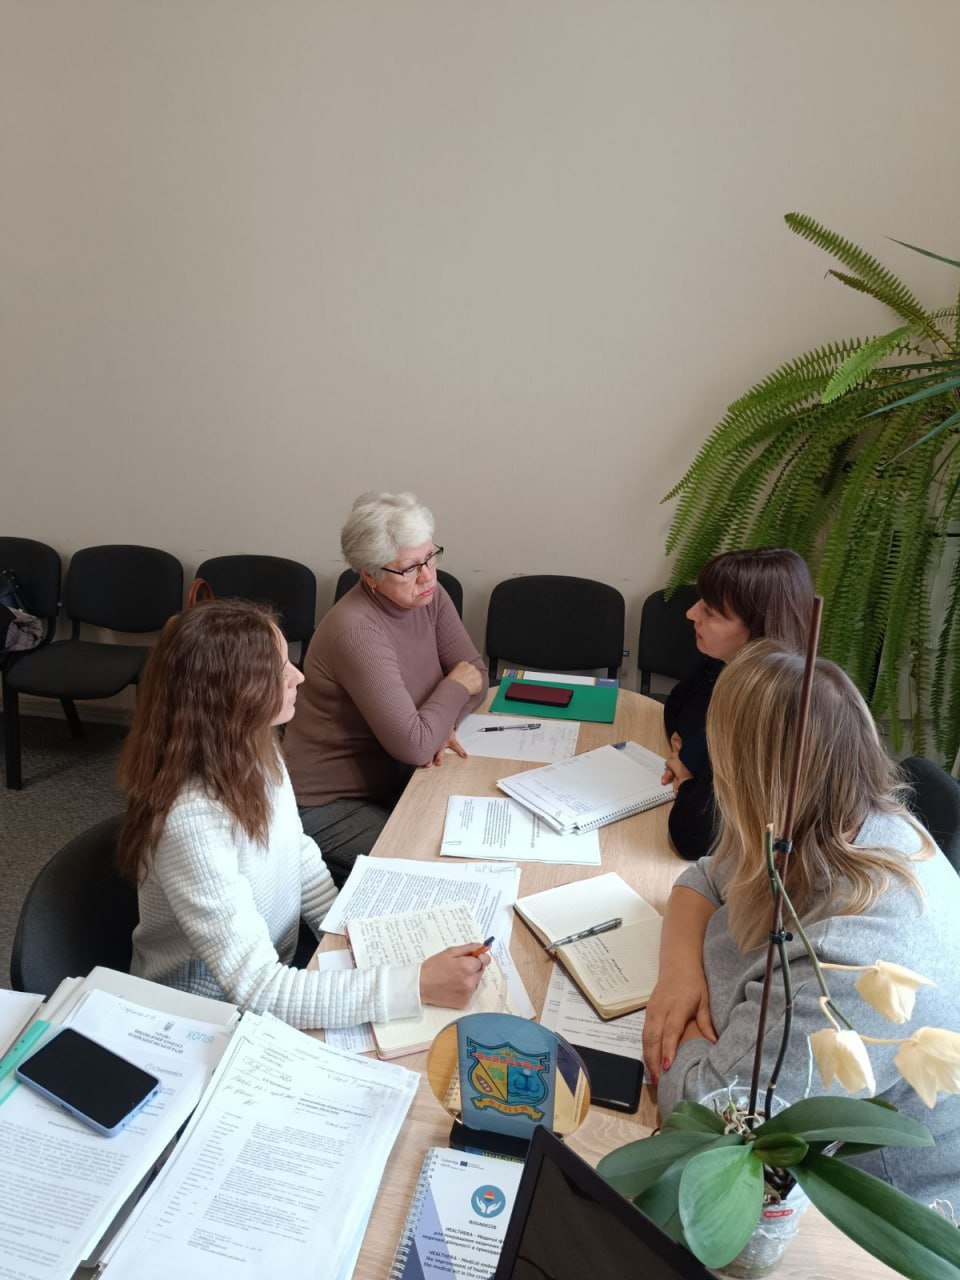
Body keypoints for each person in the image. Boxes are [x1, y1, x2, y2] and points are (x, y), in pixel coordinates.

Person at [646, 641, 960, 1205]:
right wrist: (678, 976)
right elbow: (703, 878)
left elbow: (708, 1122)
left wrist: (684, 1027)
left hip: (860, 1205)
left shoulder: (852, 962)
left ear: (747, 778)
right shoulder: (831, 816)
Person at [117, 599, 490, 1029]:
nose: (299, 676)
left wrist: (348, 934)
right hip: (199, 1017)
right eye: (279, 670)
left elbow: (297, 852)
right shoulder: (192, 820)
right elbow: (258, 991)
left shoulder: (255, 749)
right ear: (234, 694)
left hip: (273, 976)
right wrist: (415, 985)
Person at [284, 492, 488, 885]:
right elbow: (418, 740)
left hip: (400, 777)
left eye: (430, 556)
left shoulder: (429, 596)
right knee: (431, 873)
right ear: (368, 574)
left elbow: (477, 676)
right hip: (330, 803)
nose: (427, 576)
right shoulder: (355, 630)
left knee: (473, 845)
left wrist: (439, 724)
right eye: (409, 568)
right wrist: (447, 698)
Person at [662, 548, 814, 860]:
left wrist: (688, 776)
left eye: (710, 612)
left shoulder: (771, 713)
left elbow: (694, 837)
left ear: (759, 632)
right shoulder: (725, 665)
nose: (691, 613)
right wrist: (694, 755)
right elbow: (676, 706)